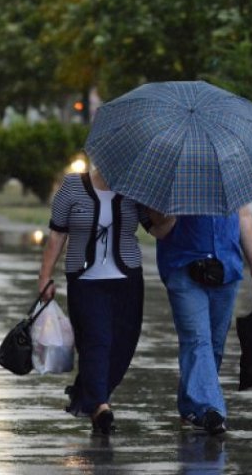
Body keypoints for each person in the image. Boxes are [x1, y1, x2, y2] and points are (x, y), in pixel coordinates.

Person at [37, 166, 170, 435]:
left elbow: (159, 231)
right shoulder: (72, 187)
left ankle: (92, 395)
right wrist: (45, 278)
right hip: (85, 282)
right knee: (96, 341)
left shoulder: (135, 189)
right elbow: (57, 234)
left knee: (124, 343)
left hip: (127, 280)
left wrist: (166, 212)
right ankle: (100, 405)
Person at [153, 206, 252, 435]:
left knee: (215, 344)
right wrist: (171, 211)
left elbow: (244, 215)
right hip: (183, 267)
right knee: (197, 339)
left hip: (226, 268)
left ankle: (190, 404)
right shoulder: (176, 175)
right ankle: (210, 409)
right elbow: (158, 228)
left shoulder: (227, 171)